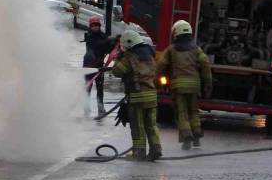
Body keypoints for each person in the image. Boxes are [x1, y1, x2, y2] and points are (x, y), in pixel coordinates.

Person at [157, 20, 212, 150]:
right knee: (193, 111)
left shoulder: (171, 50)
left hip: (178, 87)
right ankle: (197, 135)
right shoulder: (196, 49)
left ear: (175, 33)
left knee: (182, 112)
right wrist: (208, 82)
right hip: (194, 86)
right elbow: (205, 63)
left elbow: (161, 66)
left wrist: (155, 81)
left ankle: (187, 137)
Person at [111, 30, 162, 161]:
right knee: (151, 125)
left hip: (137, 96)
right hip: (152, 95)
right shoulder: (150, 54)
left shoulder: (129, 56)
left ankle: (139, 153)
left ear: (128, 43)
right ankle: (156, 149)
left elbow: (117, 71)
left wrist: (118, 57)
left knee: (137, 126)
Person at [83, 16, 116, 117]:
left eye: (97, 25)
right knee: (88, 87)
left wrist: (114, 42)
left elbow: (108, 48)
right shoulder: (89, 36)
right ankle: (86, 107)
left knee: (100, 88)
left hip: (99, 66)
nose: (95, 27)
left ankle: (100, 108)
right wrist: (110, 40)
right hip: (89, 65)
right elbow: (97, 45)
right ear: (90, 26)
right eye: (93, 26)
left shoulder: (103, 36)